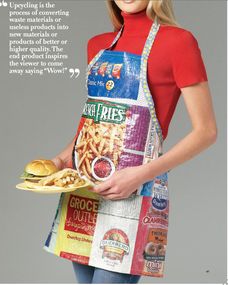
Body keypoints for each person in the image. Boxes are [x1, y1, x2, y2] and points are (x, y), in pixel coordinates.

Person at [44, 0, 217, 284]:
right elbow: (93, 120)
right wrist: (61, 159)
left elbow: (207, 131)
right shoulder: (98, 46)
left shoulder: (178, 42)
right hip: (85, 189)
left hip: (134, 190)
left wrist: (141, 174)